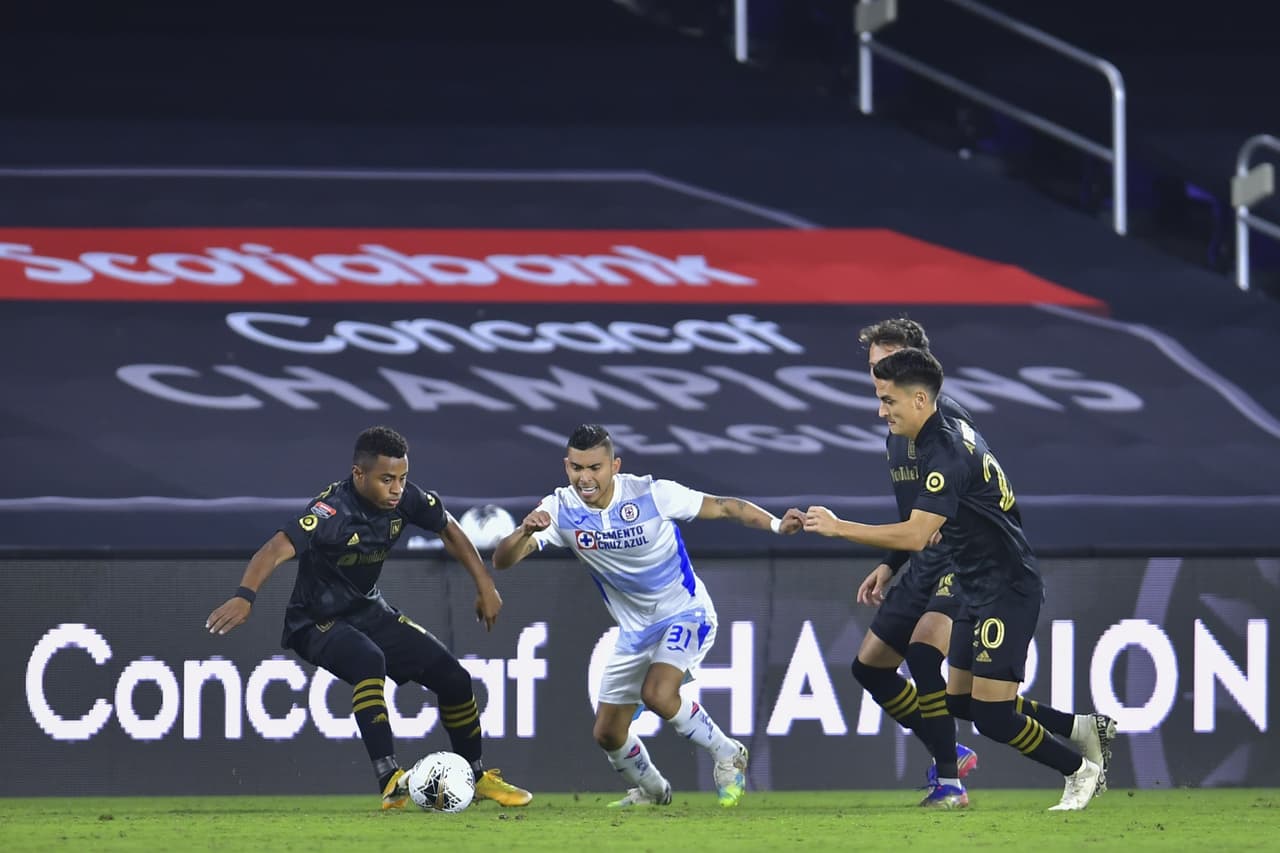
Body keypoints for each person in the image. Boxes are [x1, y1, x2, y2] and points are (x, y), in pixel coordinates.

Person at [803, 348, 1106, 811]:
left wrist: (838, 525)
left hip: (1005, 585)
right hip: (972, 582)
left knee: (992, 716)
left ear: (920, 399)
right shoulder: (939, 429)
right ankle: (1079, 729)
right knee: (962, 702)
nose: (881, 410)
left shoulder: (942, 450)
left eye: (889, 401)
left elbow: (919, 533)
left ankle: (1080, 771)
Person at [205, 426, 533, 810]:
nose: (397, 488)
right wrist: (245, 596)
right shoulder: (331, 511)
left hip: (369, 611)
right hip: (314, 621)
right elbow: (276, 548)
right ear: (359, 475)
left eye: (402, 478)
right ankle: (390, 778)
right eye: (387, 479)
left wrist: (485, 586)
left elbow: (449, 528)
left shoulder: (406, 499)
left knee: (455, 679)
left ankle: (475, 776)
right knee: (368, 661)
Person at [491, 423, 805, 808]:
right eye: (576, 468)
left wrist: (775, 524)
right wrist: (524, 531)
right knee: (608, 733)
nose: (585, 478)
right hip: (635, 632)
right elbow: (503, 561)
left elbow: (724, 506)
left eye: (595, 468)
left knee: (658, 692)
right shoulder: (559, 508)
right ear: (566, 466)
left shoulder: (652, 494)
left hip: (685, 612)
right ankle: (655, 792)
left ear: (615, 466)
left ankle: (728, 753)